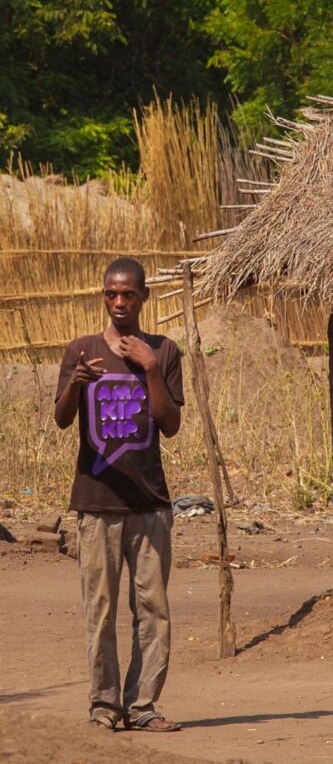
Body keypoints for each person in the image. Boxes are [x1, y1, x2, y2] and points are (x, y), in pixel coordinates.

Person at [54, 257, 184, 732]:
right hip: (97, 500)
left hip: (150, 503)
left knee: (152, 610)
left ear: (144, 296)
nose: (119, 302)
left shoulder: (163, 351)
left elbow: (170, 424)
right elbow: (62, 419)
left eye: (128, 294)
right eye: (111, 293)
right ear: (103, 297)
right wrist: (74, 383)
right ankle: (104, 706)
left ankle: (144, 705)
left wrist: (149, 369)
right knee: (101, 611)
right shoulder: (82, 350)